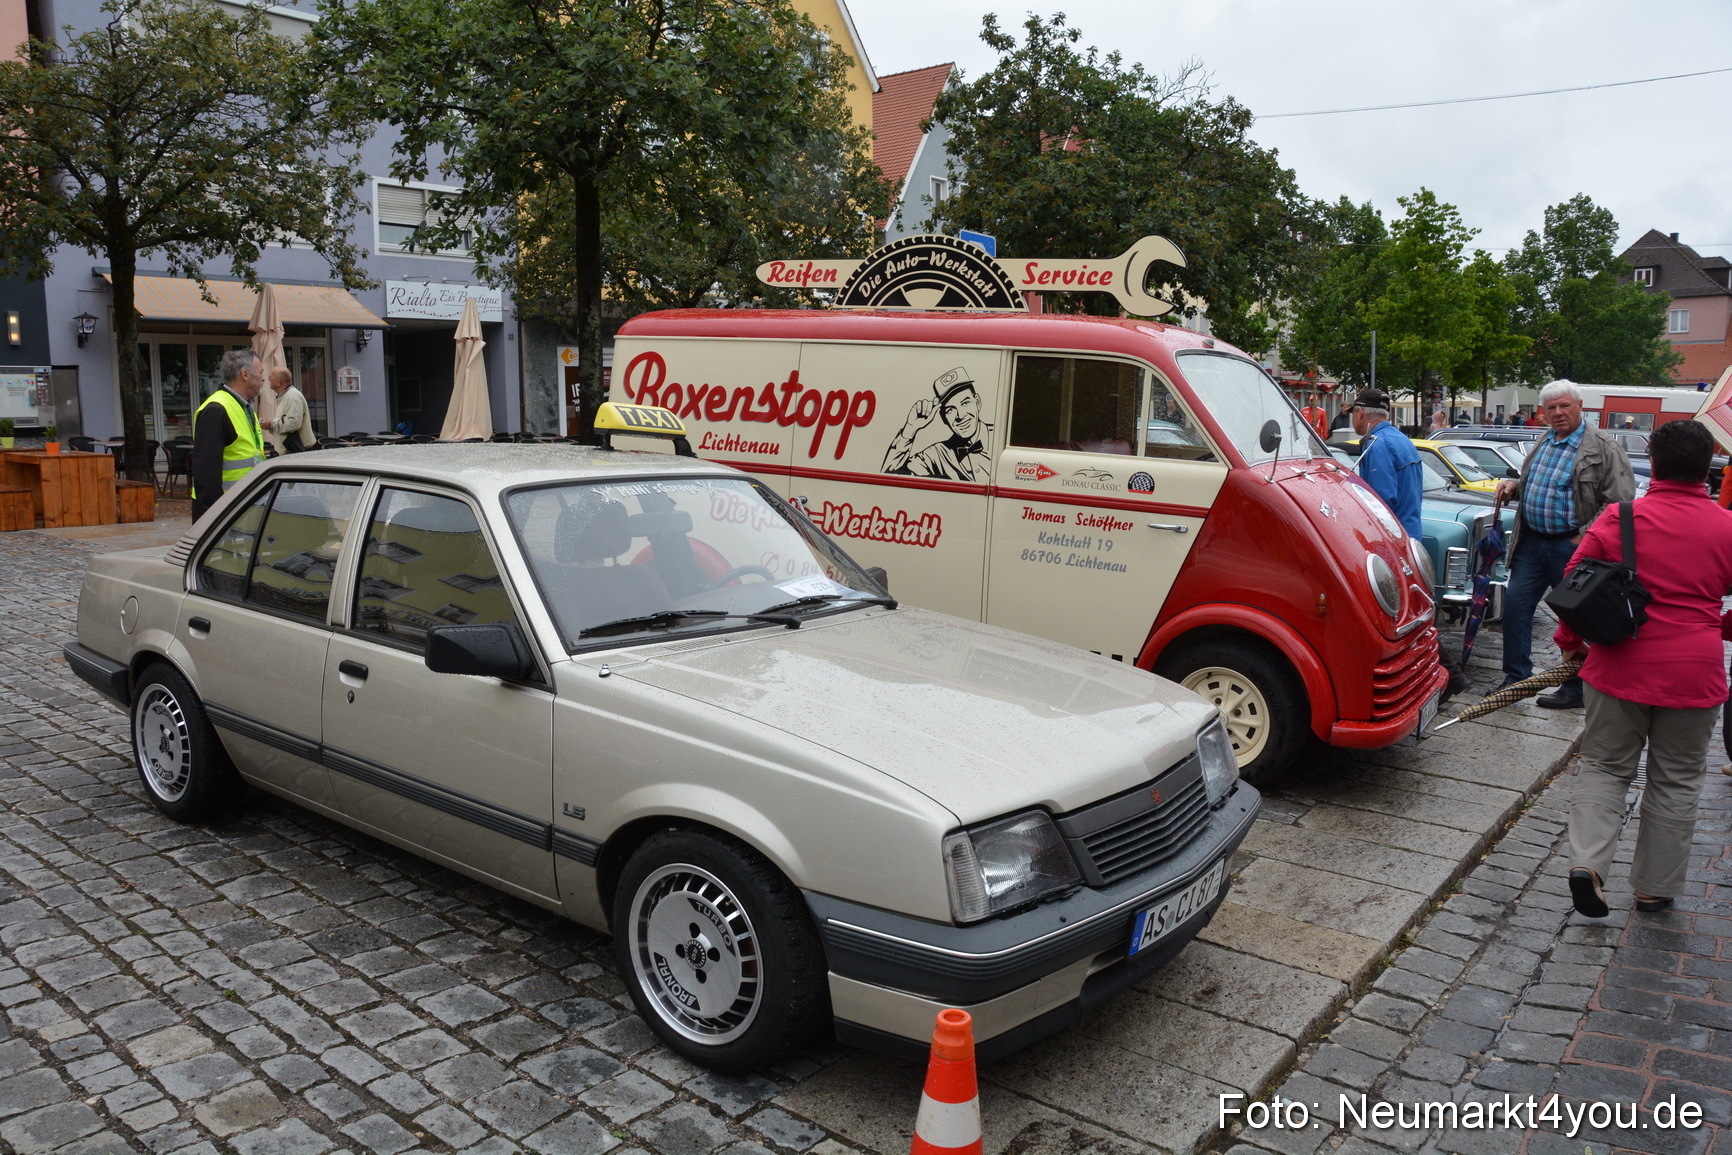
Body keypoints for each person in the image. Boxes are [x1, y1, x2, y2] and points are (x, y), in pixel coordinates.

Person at [1558, 419, 1732, 917]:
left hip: (1620, 666)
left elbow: (1573, 586)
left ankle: (1587, 864)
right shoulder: (1728, 527)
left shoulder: (1621, 518)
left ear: (1652, 462)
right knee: (1677, 779)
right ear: (1709, 467)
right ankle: (1655, 887)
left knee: (1605, 767)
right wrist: (1716, 626)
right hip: (1695, 672)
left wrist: (1572, 644)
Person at [1494, 381, 1635, 708]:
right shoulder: (1545, 439)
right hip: (1531, 542)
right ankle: (1516, 679)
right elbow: (1536, 482)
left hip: (1572, 546)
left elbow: (1620, 503)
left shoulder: (1603, 447)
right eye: (1552, 408)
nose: (1558, 413)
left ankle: (1575, 687)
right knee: (1515, 607)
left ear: (1579, 405)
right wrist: (1514, 485)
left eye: (1564, 406)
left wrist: (1584, 535)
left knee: (1575, 617)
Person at [190, 349, 265, 522]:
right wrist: (215, 522)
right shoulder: (217, 410)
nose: (263, 378)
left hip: (241, 506)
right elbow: (206, 475)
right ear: (245, 374)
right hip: (222, 514)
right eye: (260, 372)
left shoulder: (244, 408)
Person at [882, 367, 993, 482]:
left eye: (965, 403)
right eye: (950, 409)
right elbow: (888, 479)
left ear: (978, 402)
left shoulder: (1002, 440)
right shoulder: (936, 454)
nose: (960, 416)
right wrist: (910, 428)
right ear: (943, 418)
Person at [1352, 389, 1423, 539]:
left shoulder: (1377, 444)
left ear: (1360, 412)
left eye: (1353, 412)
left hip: (1393, 539)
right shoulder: (1402, 439)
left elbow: (1380, 503)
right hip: (1411, 533)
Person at [261, 366, 311, 454]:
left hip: (295, 453)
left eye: (270, 377)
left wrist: (271, 424)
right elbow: (287, 426)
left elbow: (293, 423)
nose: (268, 380)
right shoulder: (286, 396)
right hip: (291, 452)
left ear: (279, 382)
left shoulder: (292, 396)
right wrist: (270, 426)